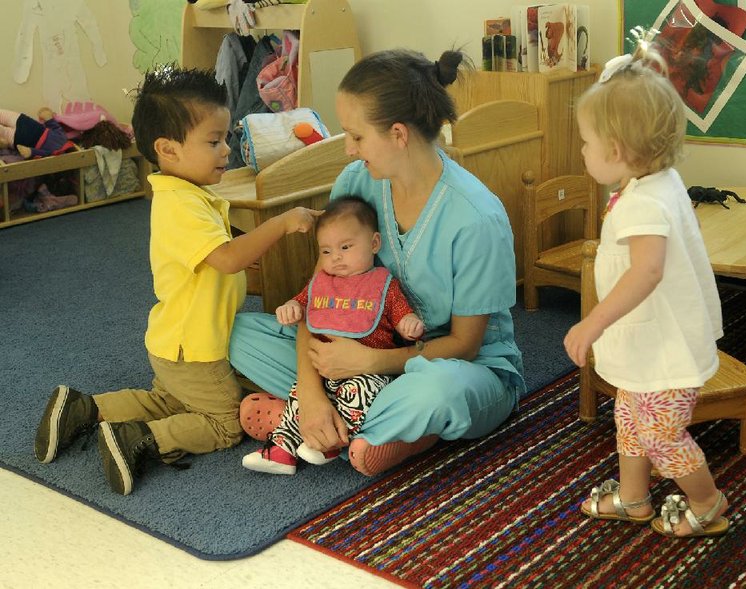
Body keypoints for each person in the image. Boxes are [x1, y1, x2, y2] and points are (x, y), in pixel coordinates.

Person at [229, 48, 525, 477]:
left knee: (437, 394)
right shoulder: (355, 185)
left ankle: (301, 426)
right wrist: (312, 390)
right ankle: (345, 422)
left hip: (456, 367)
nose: (348, 150)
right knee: (236, 333)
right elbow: (320, 296)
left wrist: (369, 364)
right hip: (353, 356)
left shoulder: (477, 218)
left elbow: (465, 345)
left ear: (399, 134)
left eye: (356, 136)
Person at [33, 65, 320, 495]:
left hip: (176, 341)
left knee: (168, 401)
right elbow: (224, 259)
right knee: (223, 424)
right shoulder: (181, 207)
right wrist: (281, 224)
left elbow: (221, 261)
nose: (226, 150)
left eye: (225, 138)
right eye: (213, 141)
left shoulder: (187, 195)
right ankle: (142, 440)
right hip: (196, 347)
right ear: (167, 149)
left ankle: (85, 409)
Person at [563, 29, 729, 538]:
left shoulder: (643, 203)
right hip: (648, 342)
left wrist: (591, 322)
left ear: (615, 149)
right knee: (630, 422)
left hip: (667, 350)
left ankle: (708, 503)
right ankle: (634, 498)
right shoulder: (653, 181)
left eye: (587, 144)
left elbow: (647, 271)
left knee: (660, 435)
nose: (584, 152)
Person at [241, 196, 424, 474]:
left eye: (345, 247)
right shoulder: (323, 283)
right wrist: (291, 308)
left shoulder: (382, 284)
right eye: (326, 251)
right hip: (324, 370)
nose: (335, 257)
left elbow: (400, 314)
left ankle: (329, 442)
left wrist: (409, 324)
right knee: (300, 393)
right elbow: (303, 302)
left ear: (374, 244)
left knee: (359, 393)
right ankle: (282, 450)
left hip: (371, 373)